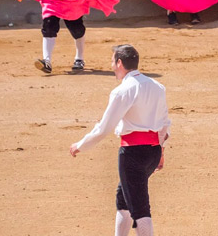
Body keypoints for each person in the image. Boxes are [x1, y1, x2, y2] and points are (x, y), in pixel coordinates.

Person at [70, 44, 171, 236]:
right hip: (153, 150)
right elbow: (165, 122)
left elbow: (104, 129)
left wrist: (80, 145)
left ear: (119, 62)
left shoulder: (123, 90)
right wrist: (161, 151)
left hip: (133, 153)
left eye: (113, 62)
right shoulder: (158, 87)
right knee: (124, 198)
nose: (112, 67)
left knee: (140, 208)